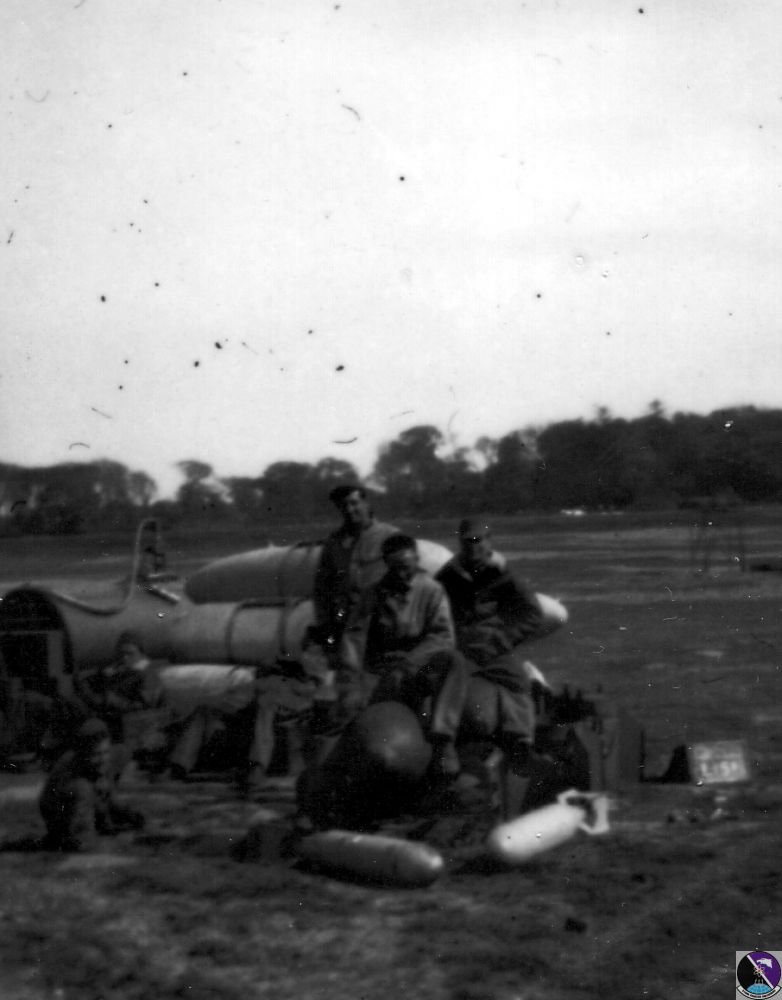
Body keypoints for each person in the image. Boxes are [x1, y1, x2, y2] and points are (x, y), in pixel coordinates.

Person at [435, 518, 566, 781]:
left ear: (489, 542)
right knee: (445, 683)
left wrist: (504, 640)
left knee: (518, 681)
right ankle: (443, 743)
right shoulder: (447, 576)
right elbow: (433, 603)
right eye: (467, 542)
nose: (473, 547)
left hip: (493, 647)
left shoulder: (503, 575)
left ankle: (521, 745)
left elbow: (532, 612)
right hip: (460, 647)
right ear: (460, 543)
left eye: (478, 541)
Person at [362, 534, 471, 780]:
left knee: (453, 661)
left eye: (407, 567)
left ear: (417, 561)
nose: (403, 574)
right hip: (382, 671)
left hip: (416, 668)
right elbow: (356, 637)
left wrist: (408, 664)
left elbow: (442, 637)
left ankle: (444, 741)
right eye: (396, 568)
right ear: (387, 565)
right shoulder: (374, 594)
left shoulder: (432, 591)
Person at [311, 484, 399, 713]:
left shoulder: (390, 537)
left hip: (382, 626)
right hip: (346, 627)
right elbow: (322, 591)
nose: (350, 510)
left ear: (366, 503)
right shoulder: (334, 543)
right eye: (343, 506)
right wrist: (327, 628)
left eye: (354, 503)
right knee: (347, 688)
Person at [39, 719, 145, 852]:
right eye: (96, 754)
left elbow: (109, 796)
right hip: (59, 813)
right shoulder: (71, 772)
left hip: (82, 805)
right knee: (84, 790)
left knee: (116, 815)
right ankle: (71, 839)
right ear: (83, 753)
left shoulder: (103, 762)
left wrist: (130, 815)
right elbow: (72, 804)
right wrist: (89, 841)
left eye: (105, 752)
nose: (102, 759)